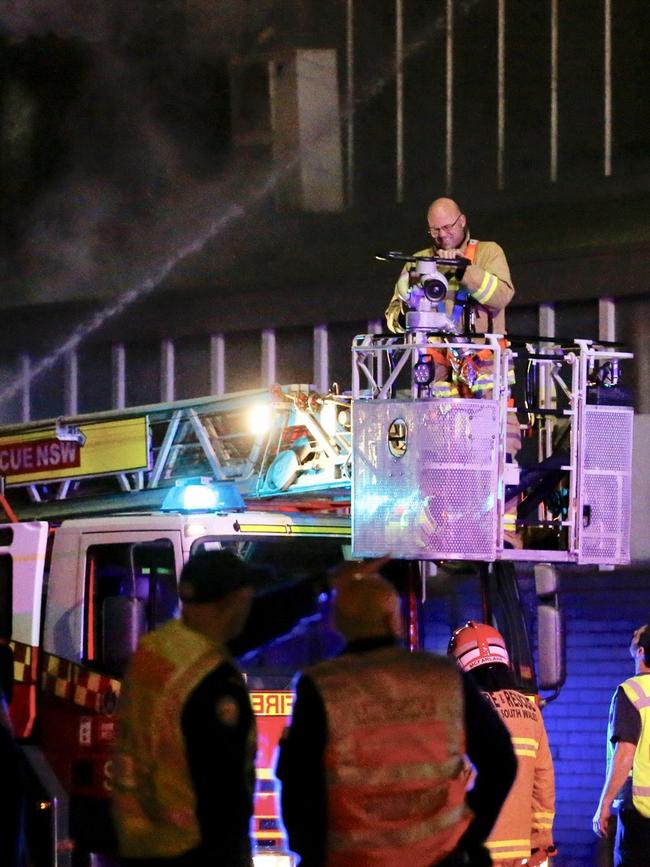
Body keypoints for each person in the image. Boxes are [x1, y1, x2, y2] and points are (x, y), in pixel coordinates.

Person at [276, 558, 517, 867]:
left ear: (338, 625)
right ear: (394, 620)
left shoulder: (320, 686)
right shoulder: (444, 677)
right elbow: (501, 761)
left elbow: (297, 784)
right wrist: (468, 835)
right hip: (440, 860)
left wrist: (311, 851)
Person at [112, 549, 261, 867]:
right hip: (194, 846)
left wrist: (319, 586)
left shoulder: (158, 650)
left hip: (146, 840)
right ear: (236, 602)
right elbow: (222, 788)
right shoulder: (210, 679)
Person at [448, 621, 556, 867]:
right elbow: (543, 780)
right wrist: (541, 839)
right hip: (521, 855)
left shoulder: (461, 710)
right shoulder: (530, 709)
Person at [385, 197, 515, 338]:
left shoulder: (489, 252)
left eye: (447, 227)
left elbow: (502, 298)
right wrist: (409, 310)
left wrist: (463, 270)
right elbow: (393, 317)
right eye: (435, 230)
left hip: (484, 357)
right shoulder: (418, 261)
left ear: (462, 221)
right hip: (432, 358)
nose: (441, 235)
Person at [593, 624, 650, 866]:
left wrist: (604, 805)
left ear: (641, 652)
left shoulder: (632, 691)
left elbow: (625, 753)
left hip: (641, 814)